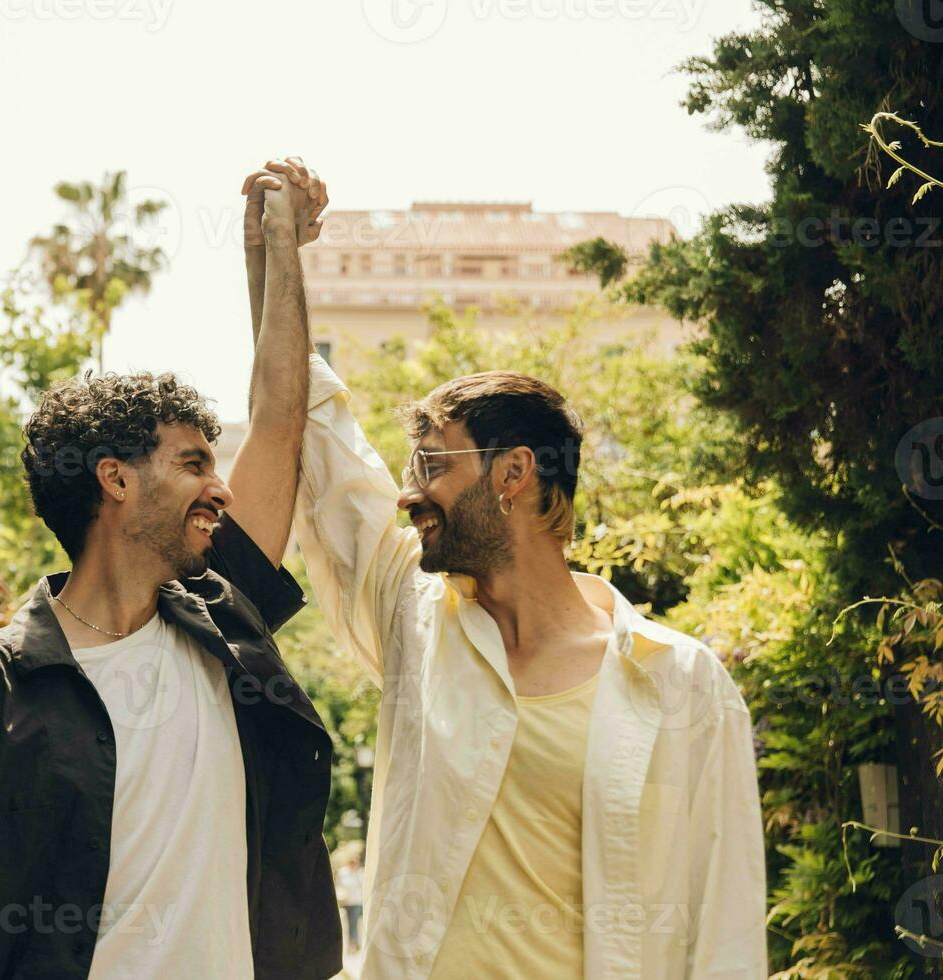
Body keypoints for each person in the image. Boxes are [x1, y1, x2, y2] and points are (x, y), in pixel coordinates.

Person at [230, 156, 767, 979]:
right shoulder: (417, 623)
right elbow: (317, 433)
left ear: (513, 475)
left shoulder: (682, 684)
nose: (410, 496)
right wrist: (274, 260)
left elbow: (726, 933)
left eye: (434, 467)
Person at [0, 171, 341, 979]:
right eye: (193, 462)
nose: (220, 486)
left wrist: (274, 252)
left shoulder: (225, 617)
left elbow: (281, 418)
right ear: (114, 479)